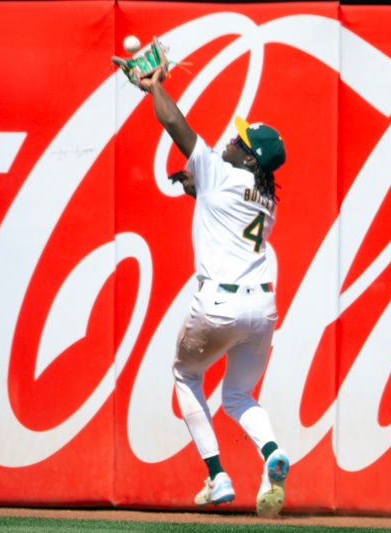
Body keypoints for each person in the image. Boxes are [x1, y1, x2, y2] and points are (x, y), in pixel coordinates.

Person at [139, 67, 289, 518]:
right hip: (261, 309)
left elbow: (174, 125)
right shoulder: (266, 197)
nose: (232, 140)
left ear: (248, 159)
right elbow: (223, 208)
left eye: (241, 142)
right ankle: (271, 451)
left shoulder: (221, 172)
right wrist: (194, 188)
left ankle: (217, 476)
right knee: (239, 396)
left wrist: (153, 87)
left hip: (217, 304)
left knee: (186, 376)